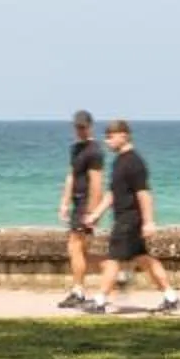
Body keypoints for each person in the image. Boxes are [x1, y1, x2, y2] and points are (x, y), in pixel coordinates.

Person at [89, 119, 180, 314]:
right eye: (106, 138)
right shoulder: (118, 162)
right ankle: (171, 297)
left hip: (130, 219)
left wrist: (148, 221)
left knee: (113, 258)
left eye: (110, 137)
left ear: (124, 135)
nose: (107, 142)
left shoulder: (134, 162)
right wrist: (96, 213)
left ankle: (99, 301)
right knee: (144, 259)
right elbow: (113, 193)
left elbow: (144, 193)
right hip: (124, 217)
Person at [56, 110, 110, 309]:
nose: (79, 130)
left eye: (83, 127)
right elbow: (71, 176)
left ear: (90, 126)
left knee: (75, 247)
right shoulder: (76, 149)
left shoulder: (94, 151)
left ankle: (78, 291)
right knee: (79, 250)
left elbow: (97, 183)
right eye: (77, 127)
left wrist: (92, 212)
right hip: (77, 202)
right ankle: (111, 270)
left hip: (86, 203)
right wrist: (64, 202)